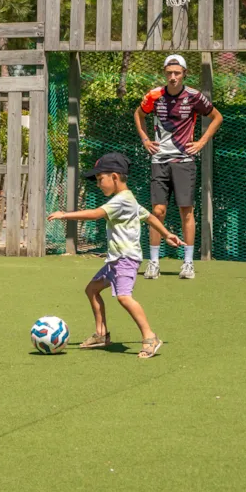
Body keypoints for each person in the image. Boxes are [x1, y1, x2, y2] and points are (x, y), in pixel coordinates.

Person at [48, 152, 183, 359]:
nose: (99, 184)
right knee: (92, 290)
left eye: (100, 179)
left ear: (115, 176)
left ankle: (150, 337)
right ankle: (101, 335)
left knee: (124, 297)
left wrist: (65, 215)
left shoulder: (121, 200)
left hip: (126, 258)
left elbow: (95, 214)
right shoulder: (129, 199)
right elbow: (148, 216)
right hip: (115, 259)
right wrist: (166, 234)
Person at [134, 54, 223, 280]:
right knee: (157, 212)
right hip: (159, 161)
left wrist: (202, 142)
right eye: (169, 73)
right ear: (165, 73)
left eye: (177, 73)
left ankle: (188, 263)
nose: (172, 77)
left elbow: (217, 117)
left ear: (184, 74)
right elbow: (138, 114)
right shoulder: (154, 95)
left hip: (184, 161)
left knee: (187, 212)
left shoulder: (194, 96)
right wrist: (145, 139)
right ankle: (153, 262)